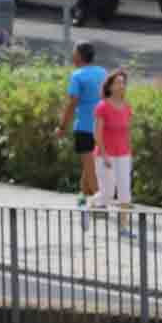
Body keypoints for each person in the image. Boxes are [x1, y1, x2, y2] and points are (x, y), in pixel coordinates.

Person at [89, 68, 136, 231]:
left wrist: (130, 153)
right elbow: (97, 133)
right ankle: (93, 202)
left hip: (123, 155)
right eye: (118, 82)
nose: (121, 86)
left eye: (123, 83)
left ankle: (123, 228)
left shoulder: (127, 107)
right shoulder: (102, 107)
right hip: (105, 155)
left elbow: (127, 132)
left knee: (125, 192)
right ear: (110, 86)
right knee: (107, 194)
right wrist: (104, 154)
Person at [63, 42, 106, 214]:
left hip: (84, 127)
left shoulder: (77, 76)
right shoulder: (102, 72)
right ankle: (82, 196)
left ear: (80, 56)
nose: (72, 56)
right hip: (101, 127)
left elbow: (71, 104)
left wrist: (62, 126)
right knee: (89, 164)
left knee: (90, 167)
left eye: (74, 52)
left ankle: (99, 203)